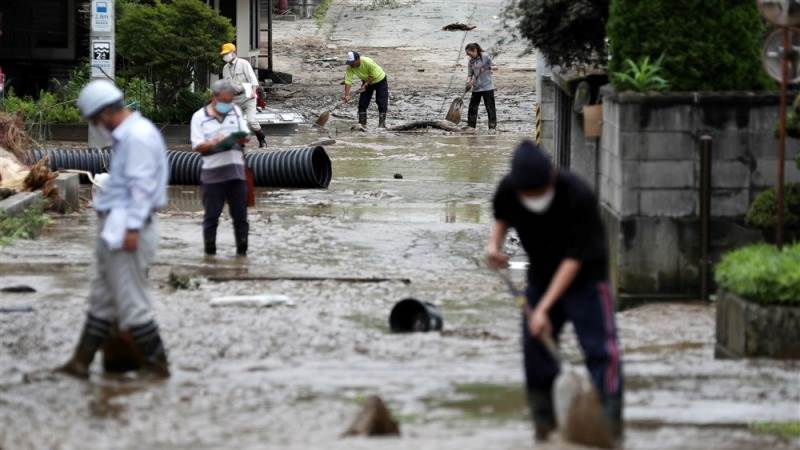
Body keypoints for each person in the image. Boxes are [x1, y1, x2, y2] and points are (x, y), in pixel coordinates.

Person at [486, 141, 623, 442]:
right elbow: (502, 217)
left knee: (601, 350)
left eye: (538, 192)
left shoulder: (576, 194)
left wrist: (543, 309)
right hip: (541, 275)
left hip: (586, 277)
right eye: (527, 195)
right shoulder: (510, 189)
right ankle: (544, 425)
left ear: (550, 177)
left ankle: (608, 426)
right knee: (534, 347)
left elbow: (573, 260)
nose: (534, 199)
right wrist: (493, 246)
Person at [59, 79, 170, 379]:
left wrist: (132, 228)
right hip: (116, 227)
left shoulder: (137, 137)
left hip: (128, 229)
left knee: (132, 301)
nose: (98, 126)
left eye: (96, 120)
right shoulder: (128, 136)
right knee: (102, 298)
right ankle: (79, 363)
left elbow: (143, 187)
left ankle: (157, 365)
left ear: (105, 113)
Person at [190, 79, 251, 257]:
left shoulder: (236, 111)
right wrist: (214, 142)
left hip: (237, 174)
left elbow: (245, 136)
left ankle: (242, 255)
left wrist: (241, 138)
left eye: (230, 100)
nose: (227, 104)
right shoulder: (199, 117)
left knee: (241, 219)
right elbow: (197, 146)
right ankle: (210, 256)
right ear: (214, 98)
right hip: (212, 176)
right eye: (224, 100)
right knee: (211, 218)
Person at [220, 42, 267, 148]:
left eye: (227, 53)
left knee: (251, 121)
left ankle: (262, 139)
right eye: (223, 54)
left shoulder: (243, 63)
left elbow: (253, 79)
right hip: (235, 98)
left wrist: (253, 92)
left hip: (248, 96)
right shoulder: (225, 68)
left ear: (233, 52)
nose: (225, 56)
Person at [342, 51, 389, 128]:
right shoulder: (350, 67)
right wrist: (346, 95)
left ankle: (382, 124)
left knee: (381, 101)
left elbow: (373, 75)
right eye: (350, 63)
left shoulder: (367, 62)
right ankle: (362, 124)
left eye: (353, 62)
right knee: (362, 103)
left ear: (358, 59)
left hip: (380, 80)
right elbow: (348, 81)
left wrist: (365, 85)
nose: (351, 64)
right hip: (366, 81)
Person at [465, 43, 496, 131]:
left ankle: (492, 127)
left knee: (490, 107)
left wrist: (486, 68)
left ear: (475, 50)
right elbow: (470, 74)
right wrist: (468, 82)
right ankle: (471, 126)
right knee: (472, 107)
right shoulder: (471, 61)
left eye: (469, 53)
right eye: (467, 54)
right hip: (476, 87)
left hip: (487, 86)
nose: (468, 55)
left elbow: (495, 67)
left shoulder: (485, 56)